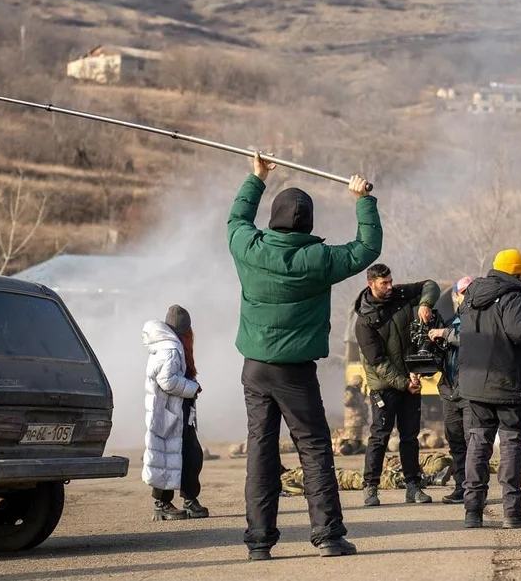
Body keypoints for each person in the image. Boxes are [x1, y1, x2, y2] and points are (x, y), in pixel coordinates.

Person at [228, 154, 380, 560]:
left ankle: (259, 543)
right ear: (308, 223)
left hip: (255, 368)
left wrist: (256, 179)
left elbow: (236, 222)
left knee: (260, 451)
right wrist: (361, 199)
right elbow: (367, 248)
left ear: (274, 218)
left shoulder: (250, 250)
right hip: (296, 371)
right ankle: (328, 536)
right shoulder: (321, 259)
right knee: (313, 448)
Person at [457, 249, 521, 529]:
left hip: (475, 384)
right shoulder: (512, 296)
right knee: (511, 444)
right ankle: (512, 512)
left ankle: (472, 511)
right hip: (508, 383)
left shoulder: (471, 296)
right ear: (516, 273)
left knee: (478, 444)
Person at [353, 264, 441, 507]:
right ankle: (370, 487)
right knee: (379, 436)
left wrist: (424, 304)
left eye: (391, 281)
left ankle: (413, 486)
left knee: (410, 436)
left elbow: (430, 285)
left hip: (409, 381)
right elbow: (378, 362)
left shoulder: (400, 295)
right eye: (384, 283)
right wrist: (404, 383)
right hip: (385, 386)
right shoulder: (364, 321)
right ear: (371, 284)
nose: (390, 286)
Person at [141, 304, 208, 521]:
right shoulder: (170, 348)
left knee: (188, 455)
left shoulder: (171, 345)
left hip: (177, 411)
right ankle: (163, 503)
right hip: (170, 413)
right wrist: (192, 388)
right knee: (168, 457)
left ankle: (188, 499)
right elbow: (166, 381)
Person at [429, 275, 475, 504]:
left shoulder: (481, 320)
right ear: (456, 296)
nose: (465, 297)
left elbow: (473, 341)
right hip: (449, 391)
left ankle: (475, 491)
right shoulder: (450, 322)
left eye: (469, 291)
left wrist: (444, 334)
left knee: (473, 442)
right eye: (462, 292)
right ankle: (461, 487)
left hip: (471, 392)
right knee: (456, 442)